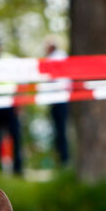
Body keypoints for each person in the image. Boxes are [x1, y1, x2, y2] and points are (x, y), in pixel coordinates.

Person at [0, 38, 24, 176]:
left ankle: (18, 167)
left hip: (9, 103)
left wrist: (18, 102)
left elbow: (19, 81)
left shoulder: (9, 60)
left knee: (15, 136)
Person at [44, 37, 70, 166]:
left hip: (59, 99)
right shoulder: (61, 57)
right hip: (59, 99)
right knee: (60, 131)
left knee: (61, 131)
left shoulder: (55, 58)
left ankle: (63, 159)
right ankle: (62, 159)